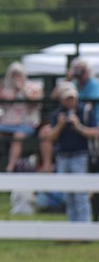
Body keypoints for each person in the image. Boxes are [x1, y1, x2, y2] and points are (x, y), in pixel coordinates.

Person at [47, 83, 98, 222]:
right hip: (63, 156)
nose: (70, 101)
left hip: (80, 156)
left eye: (72, 98)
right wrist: (60, 125)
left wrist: (78, 126)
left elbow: (95, 132)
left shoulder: (86, 111)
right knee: (68, 195)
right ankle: (72, 227)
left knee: (81, 194)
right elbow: (50, 137)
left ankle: (84, 228)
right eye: (67, 98)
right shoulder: (57, 115)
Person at [37, 58, 99, 172]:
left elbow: (89, 106)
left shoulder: (94, 85)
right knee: (45, 131)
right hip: (65, 146)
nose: (79, 73)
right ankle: (47, 166)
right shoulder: (72, 84)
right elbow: (54, 96)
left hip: (93, 118)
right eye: (77, 70)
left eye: (82, 70)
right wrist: (67, 79)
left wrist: (77, 124)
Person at [0, 62, 43, 172]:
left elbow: (34, 103)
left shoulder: (33, 87)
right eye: (13, 74)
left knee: (17, 137)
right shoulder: (5, 88)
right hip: (6, 124)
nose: (16, 77)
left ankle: (10, 167)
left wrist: (21, 90)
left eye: (18, 74)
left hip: (26, 124)